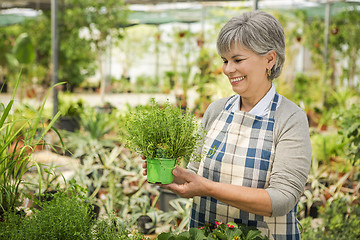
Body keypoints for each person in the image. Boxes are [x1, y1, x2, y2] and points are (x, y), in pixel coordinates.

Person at [142, 10, 312, 240]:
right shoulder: (216, 110)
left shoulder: (290, 118)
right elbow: (195, 174)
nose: (228, 70)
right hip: (207, 233)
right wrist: (170, 175)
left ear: (269, 59)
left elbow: (281, 199)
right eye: (225, 60)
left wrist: (208, 188)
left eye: (238, 60)